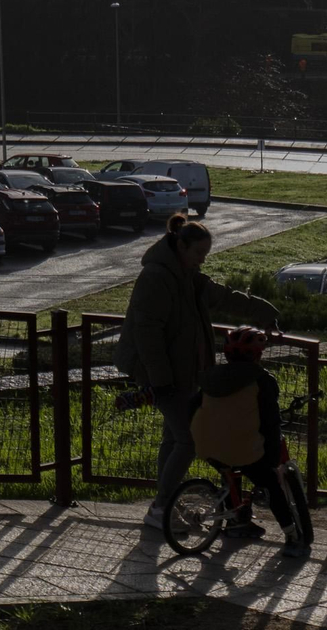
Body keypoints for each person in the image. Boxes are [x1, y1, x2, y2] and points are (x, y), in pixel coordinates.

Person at [115, 215, 280, 532]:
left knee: (173, 438)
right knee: (188, 441)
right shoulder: (157, 277)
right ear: (181, 246)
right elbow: (148, 333)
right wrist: (161, 383)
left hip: (184, 375)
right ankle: (161, 507)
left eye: (204, 256)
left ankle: (165, 506)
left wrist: (267, 313)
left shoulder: (187, 275)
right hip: (165, 377)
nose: (201, 261)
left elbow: (225, 297)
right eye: (198, 254)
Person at [190, 327, 308, 557]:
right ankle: (293, 536)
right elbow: (270, 423)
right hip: (243, 448)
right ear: (257, 354)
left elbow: (191, 408)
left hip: (205, 444)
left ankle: (237, 522)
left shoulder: (212, 376)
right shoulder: (263, 381)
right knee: (270, 483)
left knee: (229, 467)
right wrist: (272, 459)